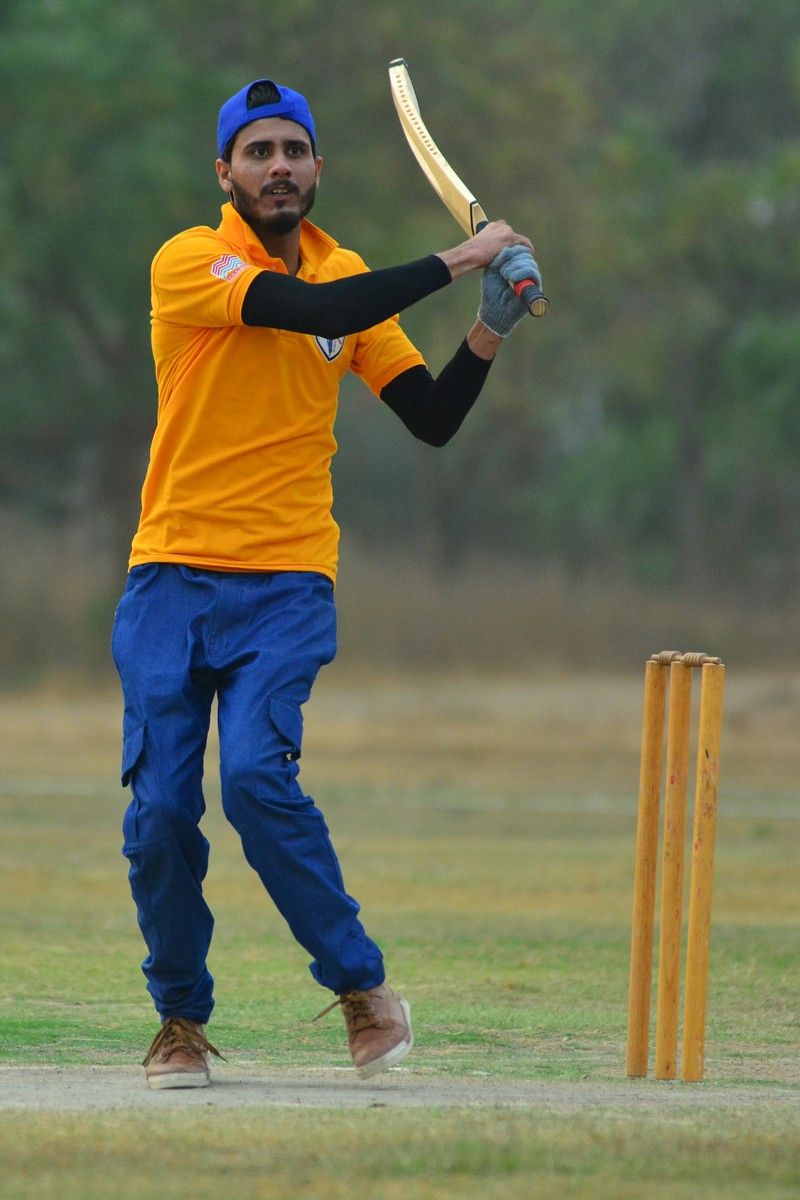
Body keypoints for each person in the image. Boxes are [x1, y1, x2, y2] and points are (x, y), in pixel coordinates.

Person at [111, 77, 542, 1090]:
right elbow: (311, 309)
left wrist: (487, 327)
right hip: (170, 575)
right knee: (160, 811)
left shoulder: (350, 272)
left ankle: (361, 987)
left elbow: (429, 416)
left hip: (286, 584)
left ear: (316, 168)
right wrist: (462, 257)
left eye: (293, 150)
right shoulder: (191, 260)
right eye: (257, 152)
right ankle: (179, 1018)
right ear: (225, 172)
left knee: (256, 783)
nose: (278, 167)